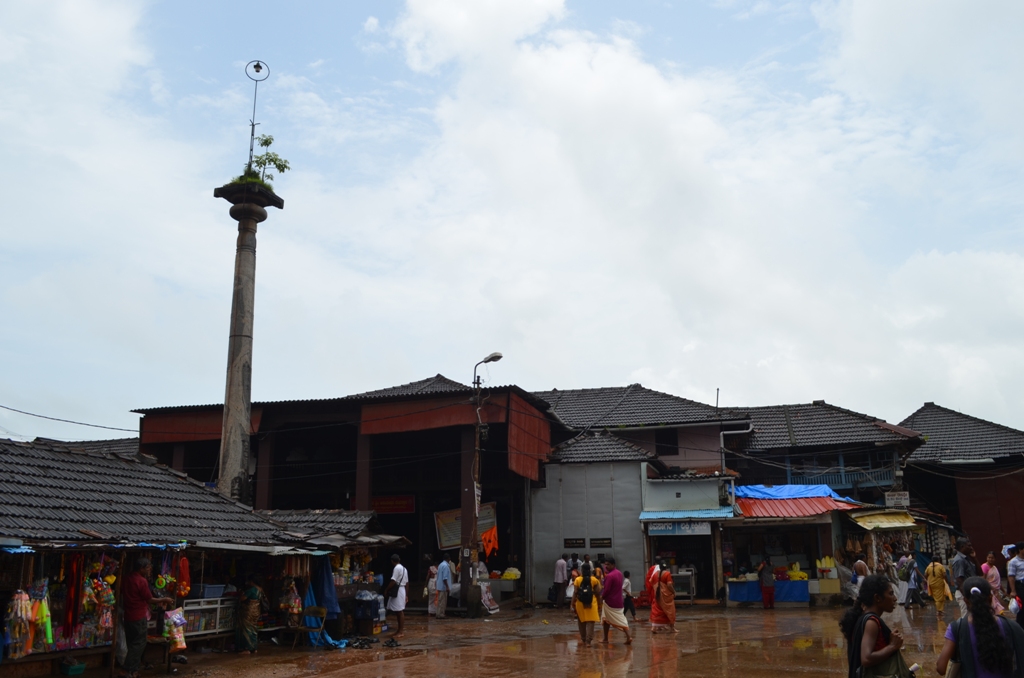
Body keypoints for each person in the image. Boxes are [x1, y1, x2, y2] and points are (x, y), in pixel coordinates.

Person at [936, 577, 1024, 678]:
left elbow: (941, 668)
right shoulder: (1011, 626)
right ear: (990, 598)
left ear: (965, 600)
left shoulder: (957, 628)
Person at [839, 574, 909, 678]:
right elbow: (866, 659)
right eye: (891, 594)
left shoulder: (863, 618)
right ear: (877, 598)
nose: (895, 598)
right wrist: (892, 646)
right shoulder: (871, 622)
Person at [121, 557, 173, 678]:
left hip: (128, 615)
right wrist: (164, 599)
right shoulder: (141, 581)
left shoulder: (127, 578)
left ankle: (133, 671)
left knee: (132, 643)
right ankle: (126, 669)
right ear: (141, 568)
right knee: (139, 643)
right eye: (148, 567)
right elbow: (149, 599)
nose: (149, 570)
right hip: (138, 616)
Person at [599, 558, 631, 645]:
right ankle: (606, 638)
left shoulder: (609, 576)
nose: (606, 566)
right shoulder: (619, 573)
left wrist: (602, 597)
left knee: (608, 619)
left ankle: (606, 638)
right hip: (619, 600)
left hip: (610, 601)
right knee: (612, 619)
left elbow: (606, 590)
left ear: (613, 565)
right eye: (605, 564)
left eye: (608, 564)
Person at [235, 574, 267, 654]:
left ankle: (247, 648)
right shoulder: (260, 589)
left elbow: (242, 598)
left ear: (252, 581)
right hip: (256, 611)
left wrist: (241, 594)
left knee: (246, 629)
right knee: (253, 628)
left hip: (248, 611)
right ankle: (254, 648)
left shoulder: (252, 590)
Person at [572, 563, 602, 646]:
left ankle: (583, 639)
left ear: (581, 570)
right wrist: (599, 604)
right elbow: (598, 592)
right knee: (590, 622)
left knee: (581, 622)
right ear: (590, 570)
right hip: (592, 603)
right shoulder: (594, 580)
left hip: (580, 603)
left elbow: (575, 592)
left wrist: (572, 604)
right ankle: (588, 641)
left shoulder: (577, 580)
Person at [648, 560, 677, 634]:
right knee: (670, 611)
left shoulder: (655, 574)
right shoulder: (667, 574)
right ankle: (672, 628)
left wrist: (657, 588)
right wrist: (674, 592)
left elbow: (651, 581)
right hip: (666, 597)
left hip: (657, 596)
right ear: (666, 567)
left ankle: (654, 627)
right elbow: (669, 585)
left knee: (657, 611)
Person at [954, 538, 980, 618]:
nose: (971, 548)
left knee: (974, 616)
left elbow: (980, 573)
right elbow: (959, 580)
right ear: (962, 547)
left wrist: (974, 558)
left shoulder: (967, 559)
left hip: (971, 592)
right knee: (967, 617)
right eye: (969, 546)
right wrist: (967, 597)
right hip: (964, 594)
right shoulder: (959, 560)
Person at [384, 554, 408, 639]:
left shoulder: (397, 568)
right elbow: (407, 583)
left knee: (399, 612)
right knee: (398, 611)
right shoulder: (404, 569)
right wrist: (406, 594)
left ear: (392, 561)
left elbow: (393, 581)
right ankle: (399, 630)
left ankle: (400, 631)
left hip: (398, 590)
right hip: (402, 590)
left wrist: (386, 589)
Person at [982, 551, 1007, 616]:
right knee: (993, 607)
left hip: (996, 592)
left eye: (992, 558)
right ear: (986, 558)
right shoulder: (985, 566)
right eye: (989, 557)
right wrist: (990, 587)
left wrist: (1003, 591)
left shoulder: (994, 567)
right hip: (989, 591)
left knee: (995, 607)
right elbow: (983, 580)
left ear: (995, 559)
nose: (990, 559)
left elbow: (998, 582)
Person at [435, 553, 452, 620]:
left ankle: (438, 613)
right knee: (443, 601)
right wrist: (447, 586)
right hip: (443, 587)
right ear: (448, 559)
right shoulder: (445, 566)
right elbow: (445, 578)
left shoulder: (440, 565)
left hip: (440, 586)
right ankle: (441, 614)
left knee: (439, 600)